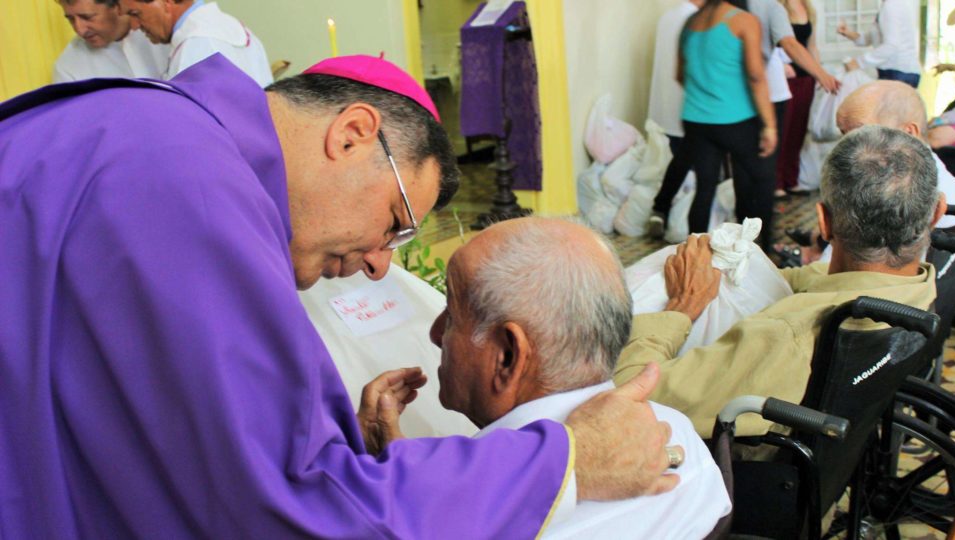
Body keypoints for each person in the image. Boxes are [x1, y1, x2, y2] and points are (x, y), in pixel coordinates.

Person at [0, 53, 680, 537]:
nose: (384, 265)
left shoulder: (147, 132)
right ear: (353, 135)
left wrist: (341, 448)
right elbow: (286, 508)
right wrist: (564, 459)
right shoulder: (191, 182)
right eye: (393, 222)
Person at [359, 217, 731, 538]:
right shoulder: (676, 433)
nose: (436, 333)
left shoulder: (490, 518)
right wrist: (406, 480)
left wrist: (399, 495)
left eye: (452, 314)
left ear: (507, 356)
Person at [618, 126, 943, 437]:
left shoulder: (788, 336)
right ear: (936, 212)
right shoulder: (917, 288)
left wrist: (680, 308)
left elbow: (633, 394)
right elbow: (810, 279)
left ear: (823, 223)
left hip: (752, 471)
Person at [647, 0, 779, 252]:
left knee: (705, 187)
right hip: (736, 119)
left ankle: (696, 253)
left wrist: (705, 98)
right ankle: (765, 249)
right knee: (761, 179)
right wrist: (770, 125)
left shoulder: (691, 22)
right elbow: (755, 75)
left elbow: (679, 74)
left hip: (696, 119)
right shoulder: (743, 20)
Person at [784, 80, 955, 266]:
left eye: (861, 134)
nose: (846, 148)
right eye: (844, 135)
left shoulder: (895, 192)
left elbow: (836, 273)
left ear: (908, 132)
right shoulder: (901, 173)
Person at [118, 0, 272, 86]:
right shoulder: (230, 27)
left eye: (135, 14)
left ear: (167, 2)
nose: (134, 26)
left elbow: (194, 124)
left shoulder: (198, 43)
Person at [53, 0, 168, 82]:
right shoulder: (69, 66)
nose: (80, 30)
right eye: (71, 19)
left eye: (87, 17)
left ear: (117, 6)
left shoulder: (163, 31)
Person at [774, 0, 820, 197]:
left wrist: (818, 73)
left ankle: (791, 180)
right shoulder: (776, 8)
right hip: (784, 79)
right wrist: (780, 67)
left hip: (805, 78)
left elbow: (811, 46)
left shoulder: (808, 8)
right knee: (782, 130)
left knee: (798, 130)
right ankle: (776, 183)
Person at [648, 0, 703, 156]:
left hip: (664, 108)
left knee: (672, 166)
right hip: (688, 109)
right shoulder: (698, 19)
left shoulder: (667, 17)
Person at [838, 0, 921, 88]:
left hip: (898, 73)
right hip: (897, 73)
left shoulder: (892, 6)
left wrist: (858, 62)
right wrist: (847, 33)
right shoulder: (889, 5)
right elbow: (871, 38)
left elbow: (891, 46)